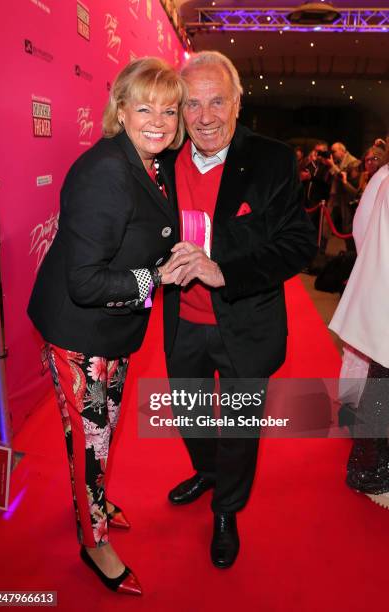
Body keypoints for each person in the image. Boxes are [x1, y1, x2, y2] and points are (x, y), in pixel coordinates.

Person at [27, 57, 185, 595]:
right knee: (92, 439)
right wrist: (156, 278)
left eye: (169, 109)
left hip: (108, 331)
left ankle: (90, 500)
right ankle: (93, 540)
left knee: (95, 433)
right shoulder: (105, 174)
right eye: (144, 108)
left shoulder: (148, 160)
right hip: (81, 331)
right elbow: (87, 284)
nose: (159, 121)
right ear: (120, 110)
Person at [160, 51, 317, 568]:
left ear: (237, 102)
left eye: (217, 102)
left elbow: (297, 244)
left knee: (240, 430)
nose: (205, 117)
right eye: (193, 104)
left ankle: (227, 508)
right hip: (181, 322)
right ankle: (207, 471)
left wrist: (224, 270)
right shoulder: (160, 160)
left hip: (247, 324)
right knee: (188, 413)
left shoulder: (272, 160)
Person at [329, 172, 389, 507]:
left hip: (379, 290)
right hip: (384, 298)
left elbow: (362, 226)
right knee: (380, 388)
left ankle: (372, 465)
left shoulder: (384, 175)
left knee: (378, 384)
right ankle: (368, 471)